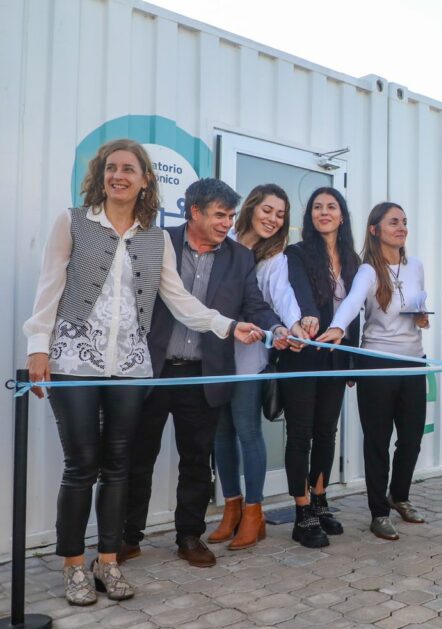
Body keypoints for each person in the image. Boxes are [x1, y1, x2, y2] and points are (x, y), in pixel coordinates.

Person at [22, 140, 263, 604]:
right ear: (101, 174)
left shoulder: (156, 238)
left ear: (145, 179)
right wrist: (38, 348)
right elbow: (48, 287)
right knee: (81, 466)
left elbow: (180, 300)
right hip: (74, 360)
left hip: (132, 365)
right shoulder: (73, 221)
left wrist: (229, 326)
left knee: (117, 467)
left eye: (129, 168)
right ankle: (73, 565)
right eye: (111, 167)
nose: (119, 175)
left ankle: (108, 561)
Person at [121, 178, 288, 568]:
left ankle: (189, 535)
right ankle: (127, 537)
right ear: (194, 212)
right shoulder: (158, 241)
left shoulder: (239, 257)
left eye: (231, 216)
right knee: (137, 457)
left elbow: (254, 304)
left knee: (197, 461)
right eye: (220, 215)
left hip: (203, 374)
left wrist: (277, 328)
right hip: (151, 370)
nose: (227, 223)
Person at [321, 202, 430, 540]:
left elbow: (416, 307)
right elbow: (352, 303)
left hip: (414, 361)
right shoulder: (368, 271)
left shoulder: (416, 266)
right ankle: (378, 513)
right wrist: (337, 328)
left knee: (411, 438)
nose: (401, 227)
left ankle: (399, 496)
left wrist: (421, 317)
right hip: (377, 363)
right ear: (374, 229)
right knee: (378, 442)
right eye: (393, 222)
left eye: (404, 222)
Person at [208, 184, 306, 550]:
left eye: (280, 215)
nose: (273, 219)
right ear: (250, 208)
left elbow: (282, 296)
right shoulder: (225, 241)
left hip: (249, 356)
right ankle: (231, 509)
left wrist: (294, 326)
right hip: (215, 353)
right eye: (268, 210)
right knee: (220, 434)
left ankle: (254, 512)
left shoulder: (274, 258)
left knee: (247, 430)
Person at [281, 186, 361, 548]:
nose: (323, 212)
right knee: (301, 434)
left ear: (342, 216)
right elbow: (300, 290)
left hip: (336, 359)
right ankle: (302, 513)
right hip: (303, 354)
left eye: (331, 206)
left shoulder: (353, 259)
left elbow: (356, 312)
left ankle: (319, 499)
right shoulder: (297, 253)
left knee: (327, 432)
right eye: (317, 207)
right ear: (310, 215)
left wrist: (352, 359)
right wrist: (310, 315)